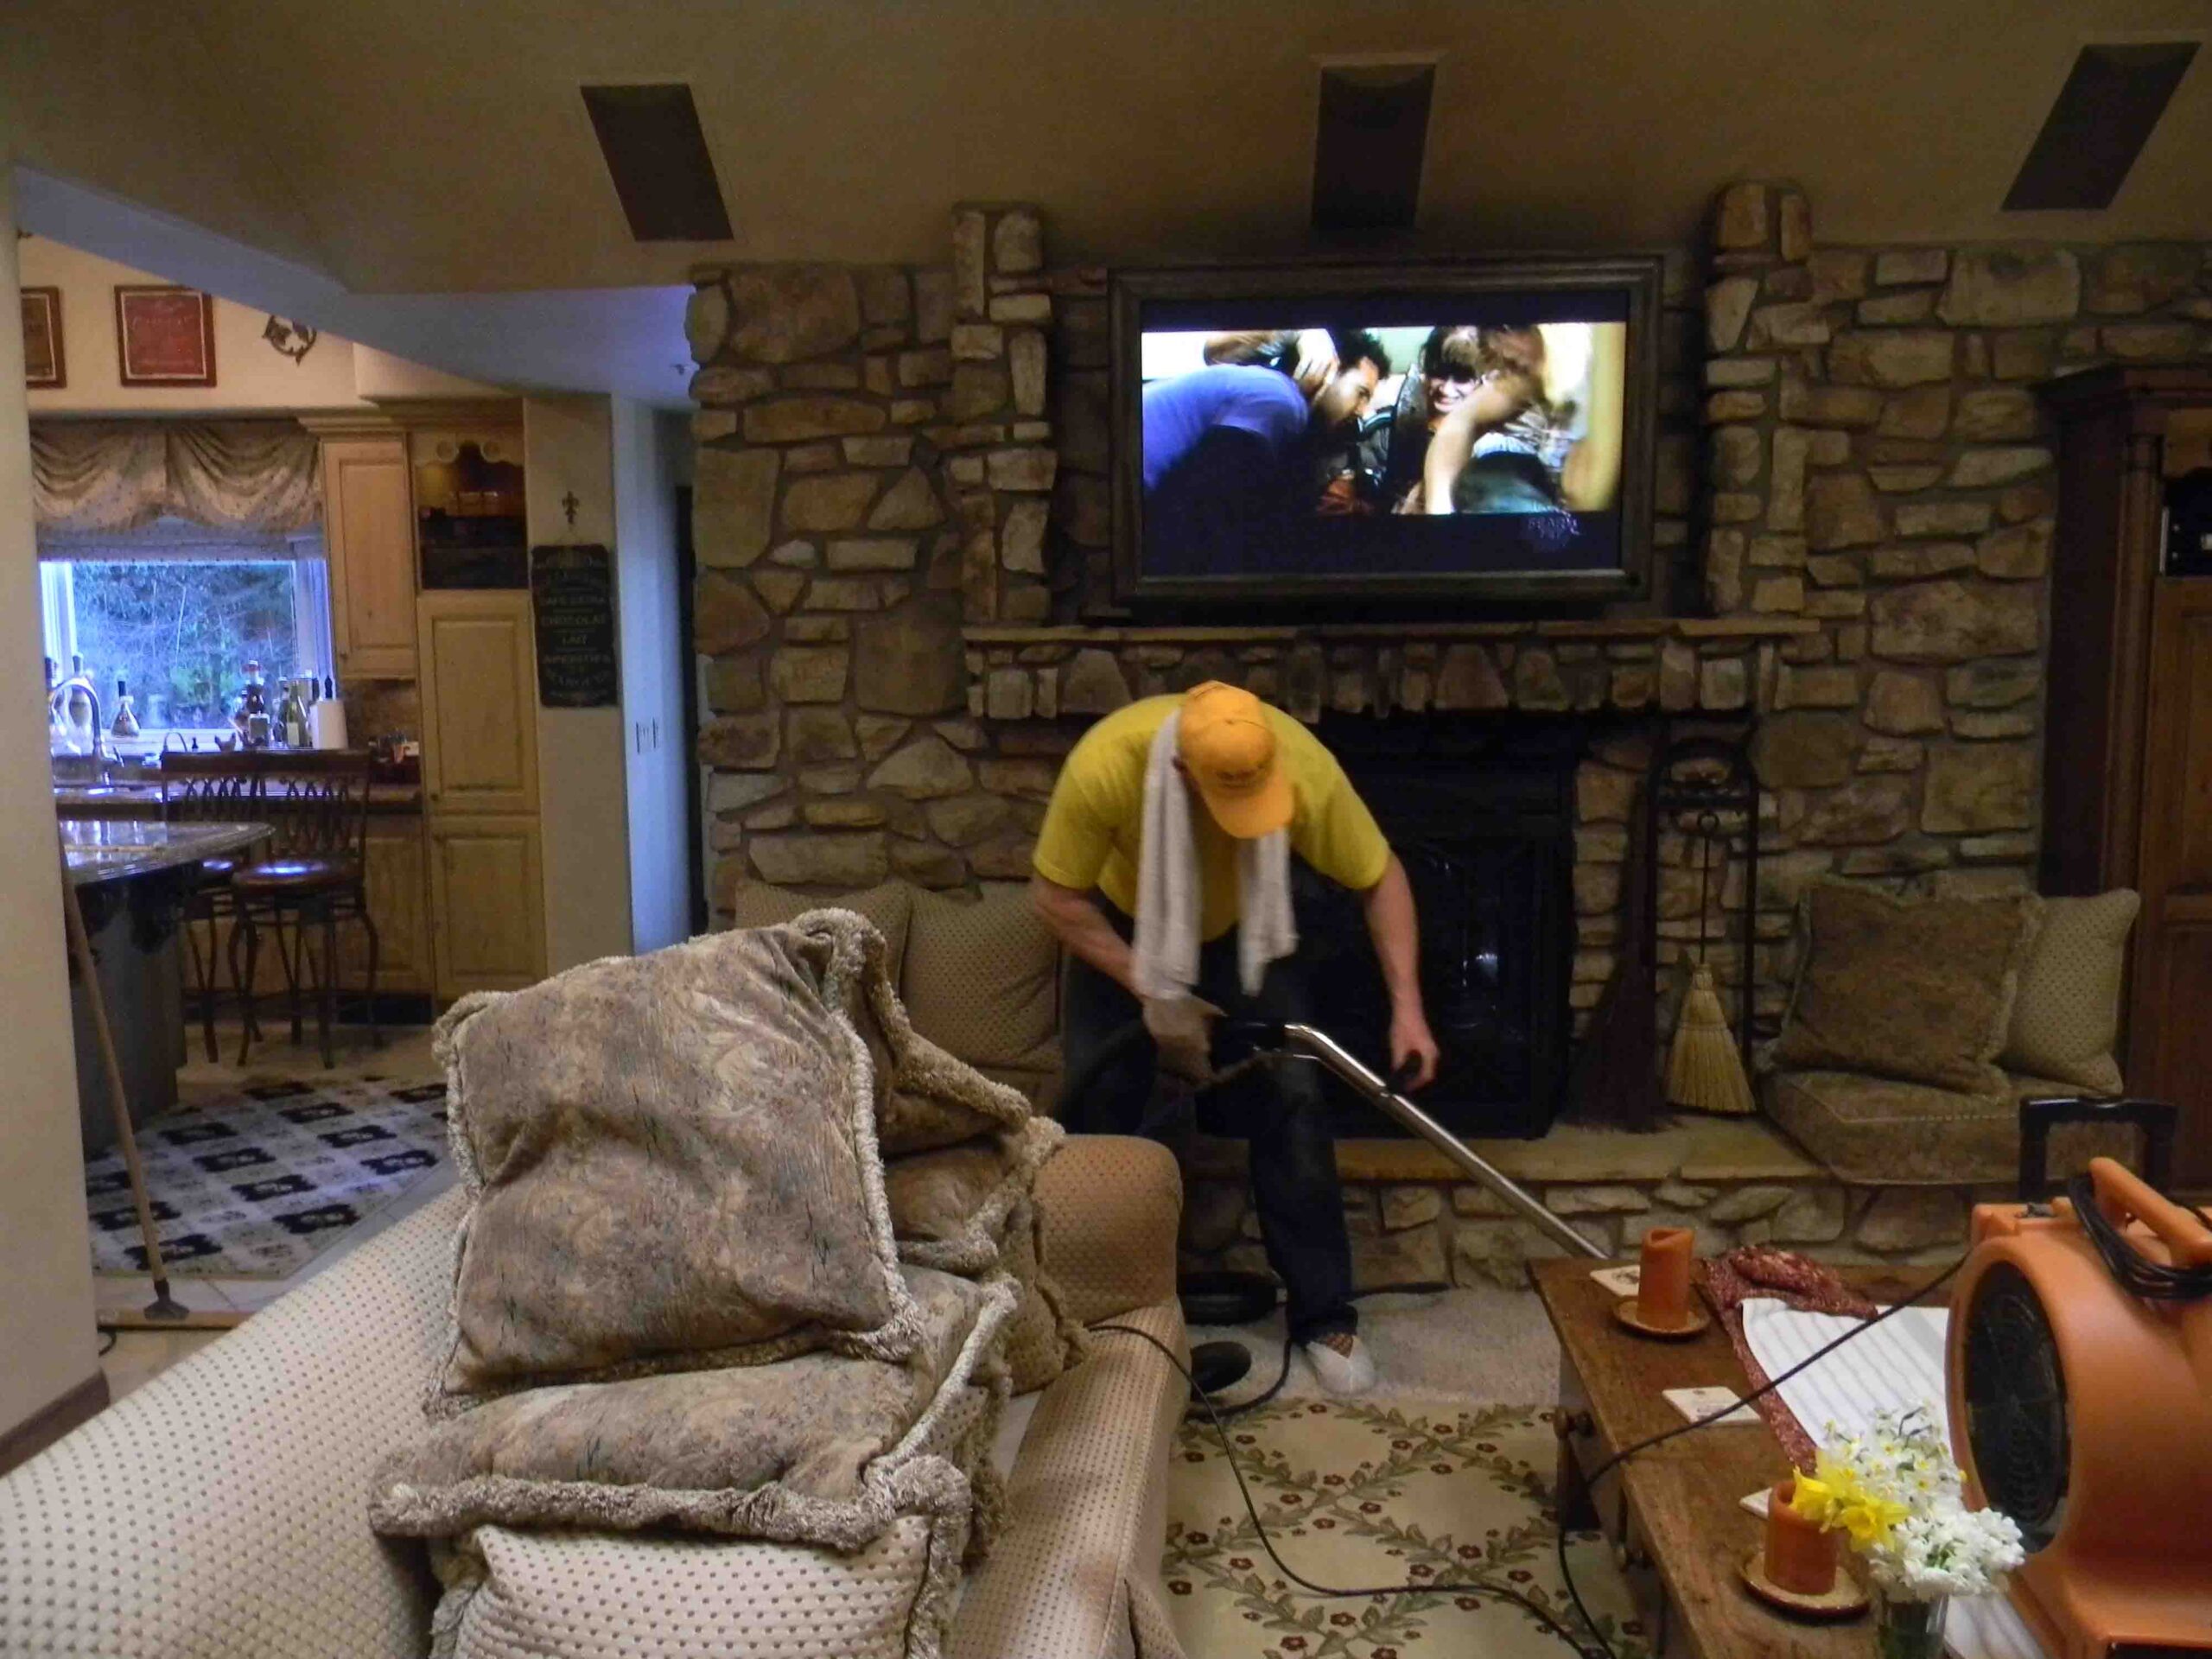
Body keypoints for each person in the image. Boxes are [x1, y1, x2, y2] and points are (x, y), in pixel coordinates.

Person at [1029, 681, 1441, 1395]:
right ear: (1181, 776)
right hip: (1129, 923)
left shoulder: (1304, 766)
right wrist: (1150, 986)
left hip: (1249, 928)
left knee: (1294, 1095)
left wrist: (1408, 1008)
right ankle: (1092, 1317)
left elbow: (1380, 878)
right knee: (1100, 1116)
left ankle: (1323, 1318)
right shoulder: (1107, 767)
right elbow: (1054, 898)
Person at [1140, 328, 1388, 569]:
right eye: (1361, 393)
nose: (1362, 411)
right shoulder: (1278, 399)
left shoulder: (1270, 392)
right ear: (1329, 370)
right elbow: (1204, 513)